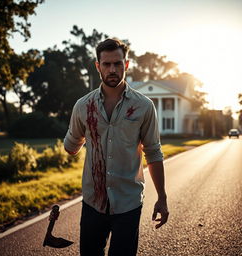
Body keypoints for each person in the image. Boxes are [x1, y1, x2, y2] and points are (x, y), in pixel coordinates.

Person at [64, 38, 169, 256]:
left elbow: (153, 152)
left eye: (118, 64)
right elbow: (71, 147)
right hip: (94, 202)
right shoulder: (83, 106)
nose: (113, 69)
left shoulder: (144, 106)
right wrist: (86, 134)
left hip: (128, 203)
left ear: (126, 65)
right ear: (97, 66)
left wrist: (162, 197)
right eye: (107, 64)